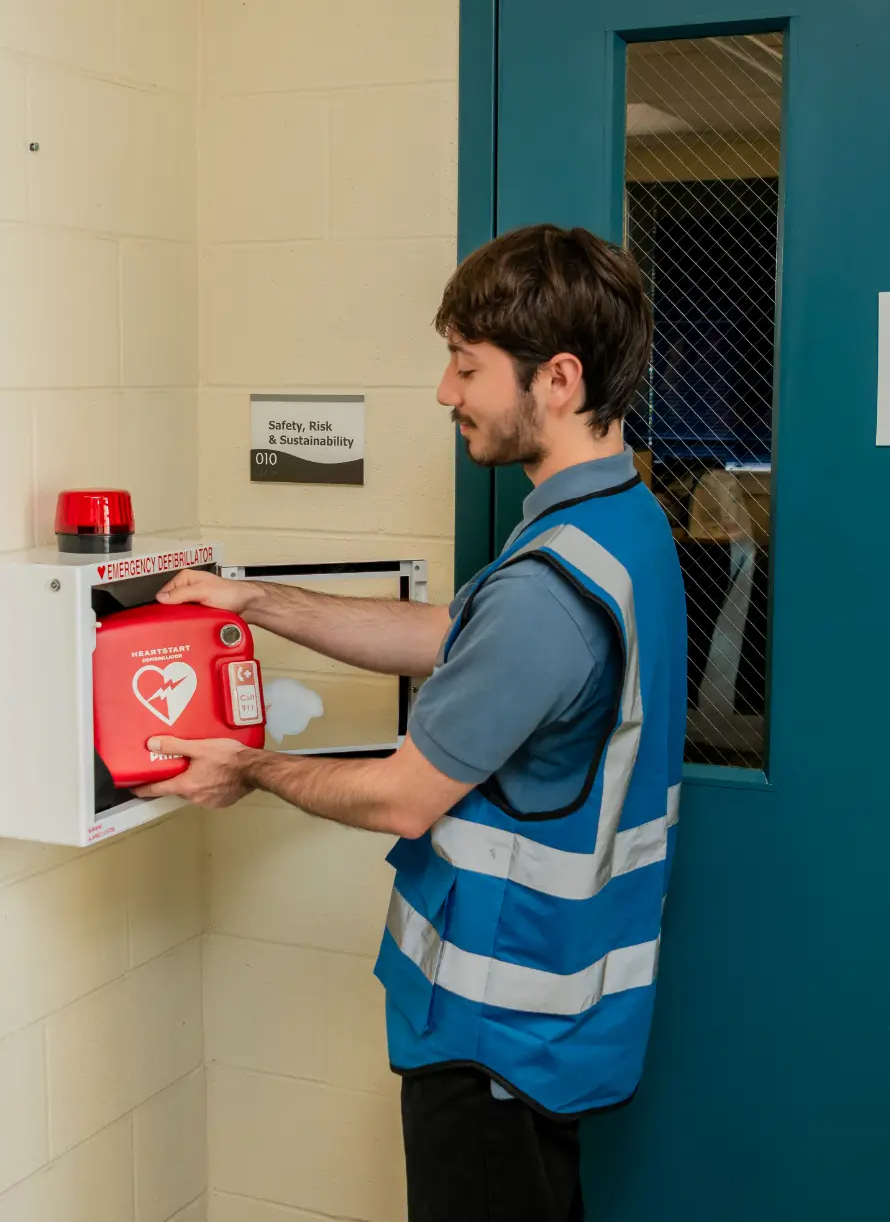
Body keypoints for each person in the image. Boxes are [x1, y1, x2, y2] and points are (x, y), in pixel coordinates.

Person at [143, 224, 690, 1222]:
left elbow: (403, 799)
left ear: (556, 380)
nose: (445, 393)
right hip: (557, 1022)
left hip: (494, 1032)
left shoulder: (547, 586)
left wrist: (249, 768)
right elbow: (450, 634)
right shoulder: (617, 525)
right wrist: (257, 600)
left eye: (465, 366)